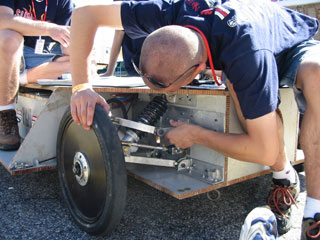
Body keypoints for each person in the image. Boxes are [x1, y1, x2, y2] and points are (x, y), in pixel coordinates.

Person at [69, 0, 320, 238]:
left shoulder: (245, 55)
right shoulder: (170, 11)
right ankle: (286, 175)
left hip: (289, 43)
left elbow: (265, 151)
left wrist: (197, 135)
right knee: (238, 82)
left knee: (316, 75)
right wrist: (80, 87)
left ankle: (314, 211)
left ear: (198, 71)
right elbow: (84, 15)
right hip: (247, 43)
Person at [0, 0, 73, 151]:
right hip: (14, 49)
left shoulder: (63, 2)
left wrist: (76, 53)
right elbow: (3, 20)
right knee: (10, 37)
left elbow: (67, 42)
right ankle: (5, 113)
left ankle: (18, 77)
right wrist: (49, 28)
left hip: (43, 54)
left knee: (86, 61)